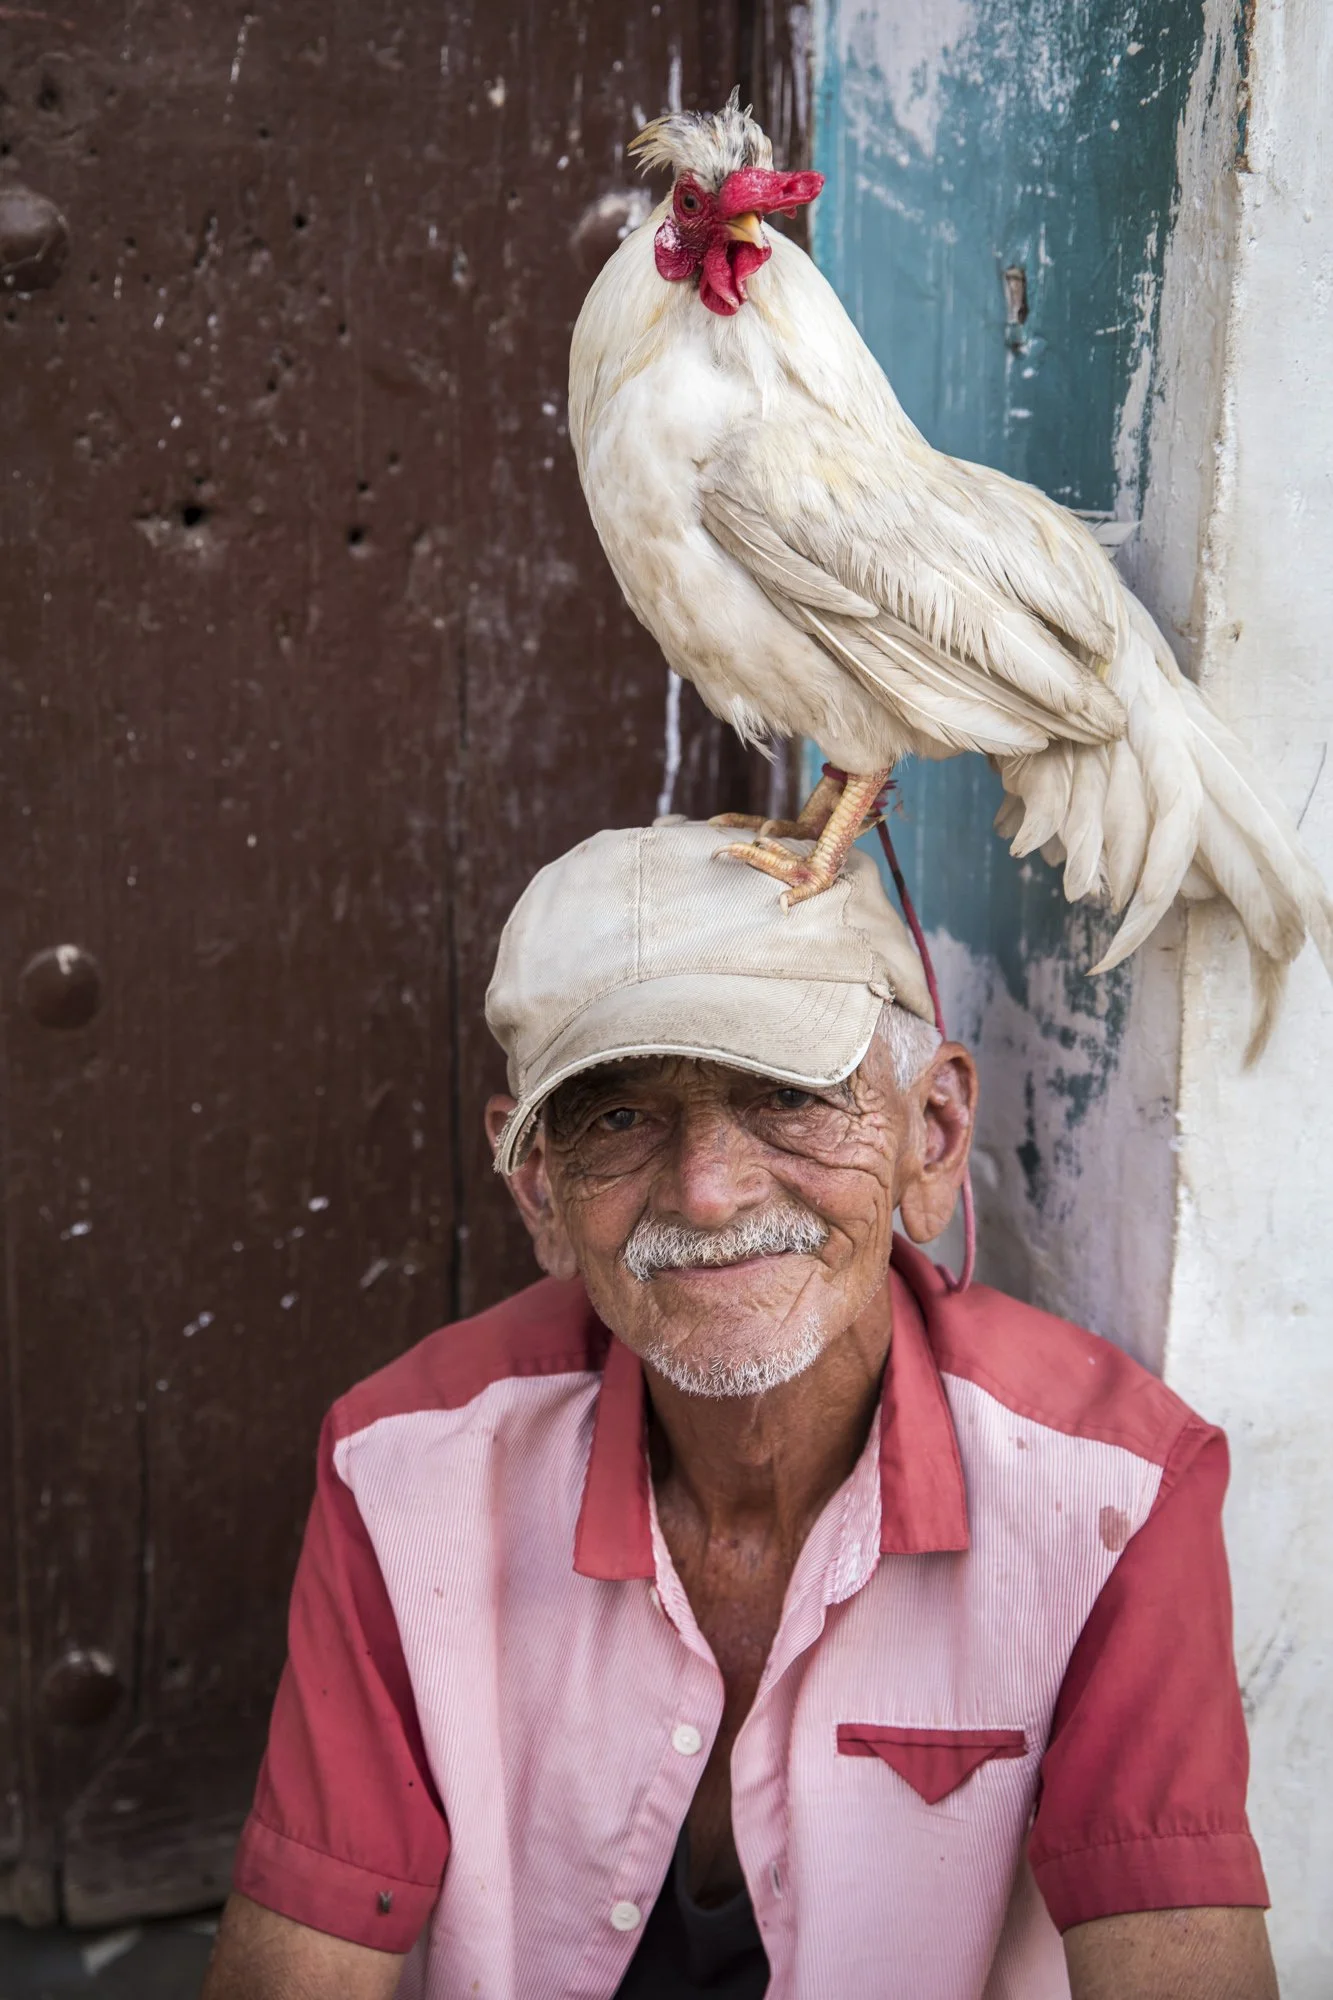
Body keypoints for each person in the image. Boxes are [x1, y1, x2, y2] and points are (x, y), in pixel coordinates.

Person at [202, 820, 1276, 2000]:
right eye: (617, 1117)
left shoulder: (1117, 1493)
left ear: (933, 1133)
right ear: (539, 1192)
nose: (709, 1191)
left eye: (788, 1094)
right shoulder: (406, 1464)